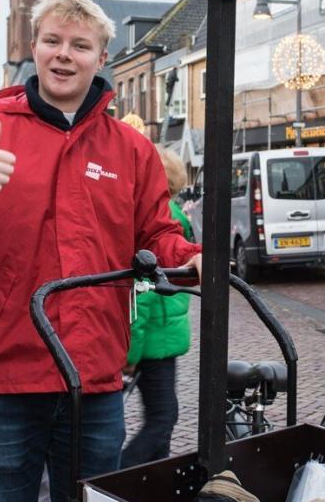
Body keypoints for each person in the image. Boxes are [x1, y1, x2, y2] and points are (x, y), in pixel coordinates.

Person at [0, 0, 202, 501]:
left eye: (80, 45)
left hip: (96, 377)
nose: (64, 54)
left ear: (101, 58)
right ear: (34, 49)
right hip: (6, 377)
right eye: (52, 41)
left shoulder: (131, 150)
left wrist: (189, 258)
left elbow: (156, 235)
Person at [121, 147, 194, 468]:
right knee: (163, 418)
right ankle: (113, 477)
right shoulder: (170, 217)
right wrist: (131, 353)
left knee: (162, 420)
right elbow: (146, 291)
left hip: (159, 338)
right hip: (156, 339)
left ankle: (156, 481)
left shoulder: (163, 215)